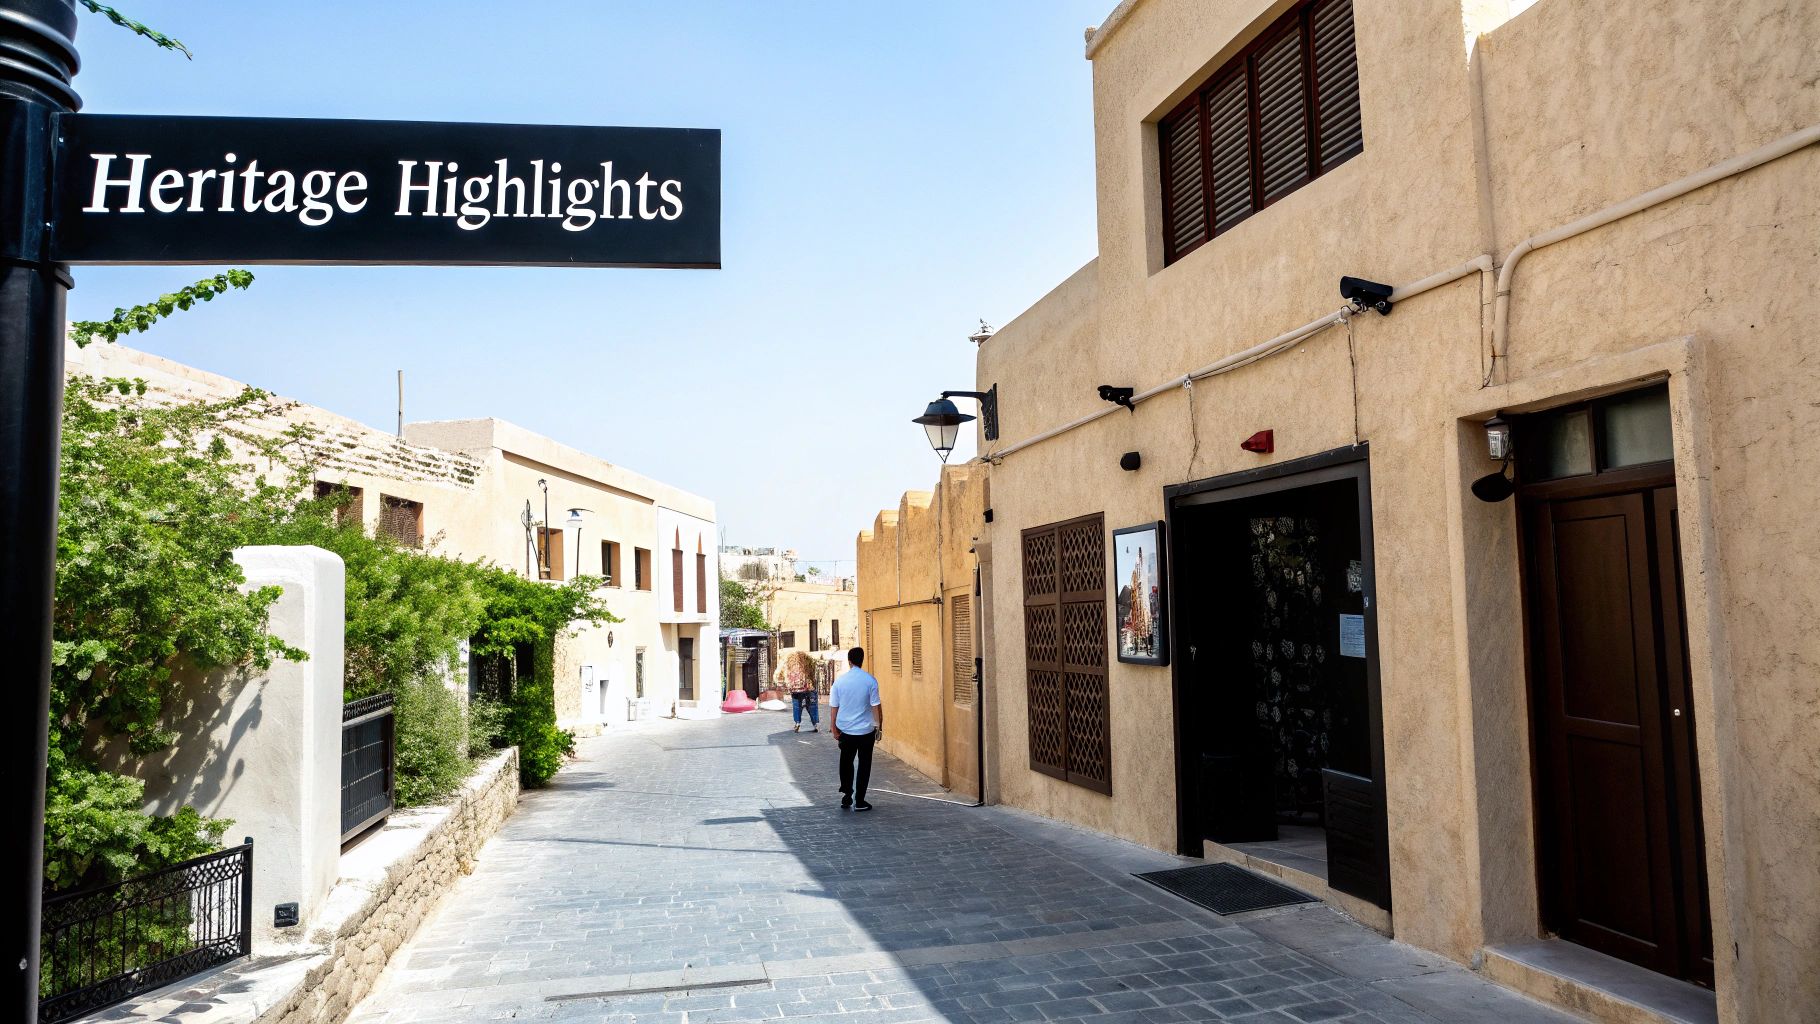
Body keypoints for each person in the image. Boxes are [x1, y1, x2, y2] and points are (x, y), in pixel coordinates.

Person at [828, 646, 881, 811]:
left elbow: (834, 707)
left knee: (846, 762)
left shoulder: (840, 681)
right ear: (862, 660)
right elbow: (876, 706)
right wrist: (879, 727)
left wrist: (833, 727)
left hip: (846, 730)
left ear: (849, 661)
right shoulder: (870, 680)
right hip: (866, 731)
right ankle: (860, 800)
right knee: (864, 765)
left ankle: (846, 796)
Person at [781, 651, 819, 732]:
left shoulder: (789, 665)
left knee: (797, 707)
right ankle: (815, 725)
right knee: (812, 707)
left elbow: (783, 677)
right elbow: (813, 677)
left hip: (795, 691)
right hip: (809, 689)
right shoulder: (807, 665)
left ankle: (797, 723)